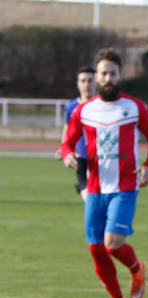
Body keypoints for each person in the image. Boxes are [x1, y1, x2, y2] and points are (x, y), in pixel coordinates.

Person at [60, 47, 148, 298]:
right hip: (94, 188)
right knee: (96, 249)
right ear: (97, 76)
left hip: (125, 185)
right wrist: (68, 154)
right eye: (103, 73)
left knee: (113, 243)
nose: (107, 78)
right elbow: (67, 141)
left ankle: (136, 267)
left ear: (119, 75)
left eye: (112, 73)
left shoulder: (134, 107)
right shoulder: (84, 110)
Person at [55, 65, 96, 201]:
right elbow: (67, 128)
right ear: (78, 84)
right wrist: (63, 148)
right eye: (83, 81)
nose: (87, 84)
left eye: (90, 80)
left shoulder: (103, 105)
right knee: (89, 197)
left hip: (101, 157)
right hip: (81, 156)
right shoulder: (71, 106)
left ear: (96, 81)